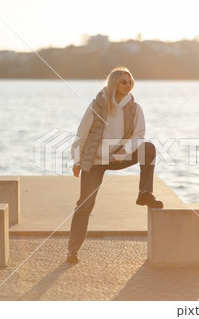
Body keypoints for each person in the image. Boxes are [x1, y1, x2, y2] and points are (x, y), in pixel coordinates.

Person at [67, 66, 163, 263]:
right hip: (95, 161)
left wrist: (122, 152)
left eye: (130, 81)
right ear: (114, 83)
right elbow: (82, 133)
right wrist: (77, 161)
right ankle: (72, 251)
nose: (128, 85)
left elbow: (138, 136)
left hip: (118, 157)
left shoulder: (135, 108)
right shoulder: (97, 105)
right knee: (84, 205)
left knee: (149, 148)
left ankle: (145, 194)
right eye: (123, 81)